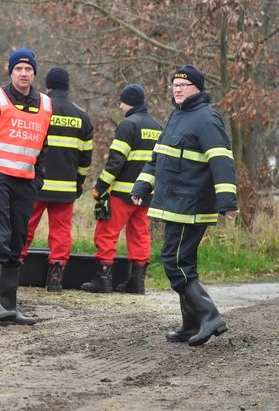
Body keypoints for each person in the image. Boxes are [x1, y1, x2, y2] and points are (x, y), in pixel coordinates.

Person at [131, 65, 237, 346]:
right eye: (175, 84)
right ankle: (191, 325)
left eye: (184, 85)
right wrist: (142, 185)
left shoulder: (206, 119)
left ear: (198, 89)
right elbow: (158, 158)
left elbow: (221, 161)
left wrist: (228, 201)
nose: (177, 89)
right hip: (173, 203)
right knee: (183, 262)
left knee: (174, 262)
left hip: (191, 206)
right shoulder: (177, 116)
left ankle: (210, 316)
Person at [0, 48, 51, 325]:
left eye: (28, 69)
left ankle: (10, 307)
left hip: (25, 182)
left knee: (17, 240)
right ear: (10, 71)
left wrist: (38, 178)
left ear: (34, 72)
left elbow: (43, 146)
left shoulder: (45, 104)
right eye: (19, 69)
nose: (24, 74)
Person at [81, 84, 161, 294]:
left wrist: (101, 186)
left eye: (122, 102)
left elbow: (116, 161)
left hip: (122, 194)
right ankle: (137, 282)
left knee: (107, 233)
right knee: (140, 235)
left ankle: (103, 280)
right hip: (146, 195)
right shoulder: (157, 127)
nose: (120, 106)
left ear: (129, 102)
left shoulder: (128, 125)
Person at [21, 68, 93, 292]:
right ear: (67, 86)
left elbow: (26, 144)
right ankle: (56, 277)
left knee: (25, 226)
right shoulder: (81, 116)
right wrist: (79, 182)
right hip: (65, 189)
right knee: (61, 231)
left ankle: (13, 269)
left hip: (35, 183)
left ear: (48, 86)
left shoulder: (38, 108)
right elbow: (86, 156)